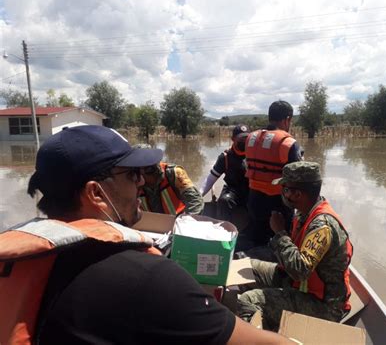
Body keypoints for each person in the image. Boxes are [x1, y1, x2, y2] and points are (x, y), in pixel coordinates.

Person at [0, 125, 291, 344]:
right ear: (95, 193)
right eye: (131, 174)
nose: (141, 182)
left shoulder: (16, 257)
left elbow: (195, 199)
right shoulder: (147, 278)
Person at [237, 161, 353, 331]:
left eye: (285, 189)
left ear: (297, 194)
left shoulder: (321, 226)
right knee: (246, 268)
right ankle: (271, 321)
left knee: (247, 300)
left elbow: (299, 271)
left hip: (324, 305)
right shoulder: (305, 213)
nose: (283, 194)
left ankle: (263, 337)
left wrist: (279, 233)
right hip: (299, 284)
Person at [241, 100, 303, 250]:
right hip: (279, 204)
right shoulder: (288, 143)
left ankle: (255, 263)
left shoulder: (250, 138)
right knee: (281, 243)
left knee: (258, 238)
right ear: (287, 120)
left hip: (254, 200)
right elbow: (301, 178)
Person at [134, 143, 204, 215]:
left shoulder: (174, 173)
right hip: (151, 224)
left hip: (178, 221)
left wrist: (188, 221)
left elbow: (195, 200)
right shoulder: (132, 182)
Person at [200, 124, 249, 221]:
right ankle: (223, 230)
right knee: (224, 201)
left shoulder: (255, 155)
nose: (244, 141)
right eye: (241, 138)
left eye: (246, 138)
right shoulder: (225, 157)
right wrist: (198, 196)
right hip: (232, 191)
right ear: (233, 139)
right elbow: (210, 179)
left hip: (250, 191)